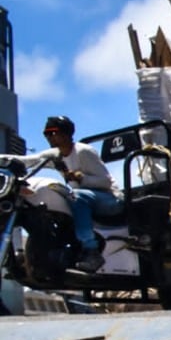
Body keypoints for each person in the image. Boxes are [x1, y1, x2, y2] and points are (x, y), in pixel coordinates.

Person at [21, 115, 121, 272]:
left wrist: (81, 178)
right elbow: (28, 161)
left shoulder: (83, 151)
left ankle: (91, 251)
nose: (49, 136)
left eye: (53, 132)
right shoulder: (55, 155)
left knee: (75, 196)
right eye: (46, 133)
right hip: (82, 198)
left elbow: (106, 182)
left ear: (66, 133)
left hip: (109, 199)